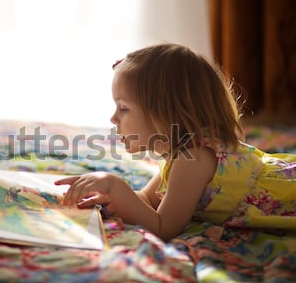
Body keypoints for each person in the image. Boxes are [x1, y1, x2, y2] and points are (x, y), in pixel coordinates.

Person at [55, 43, 296, 241]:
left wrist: (115, 184)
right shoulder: (180, 154)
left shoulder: (195, 158)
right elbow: (148, 201)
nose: (113, 118)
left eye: (123, 108)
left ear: (166, 113)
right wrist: (115, 198)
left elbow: (163, 227)